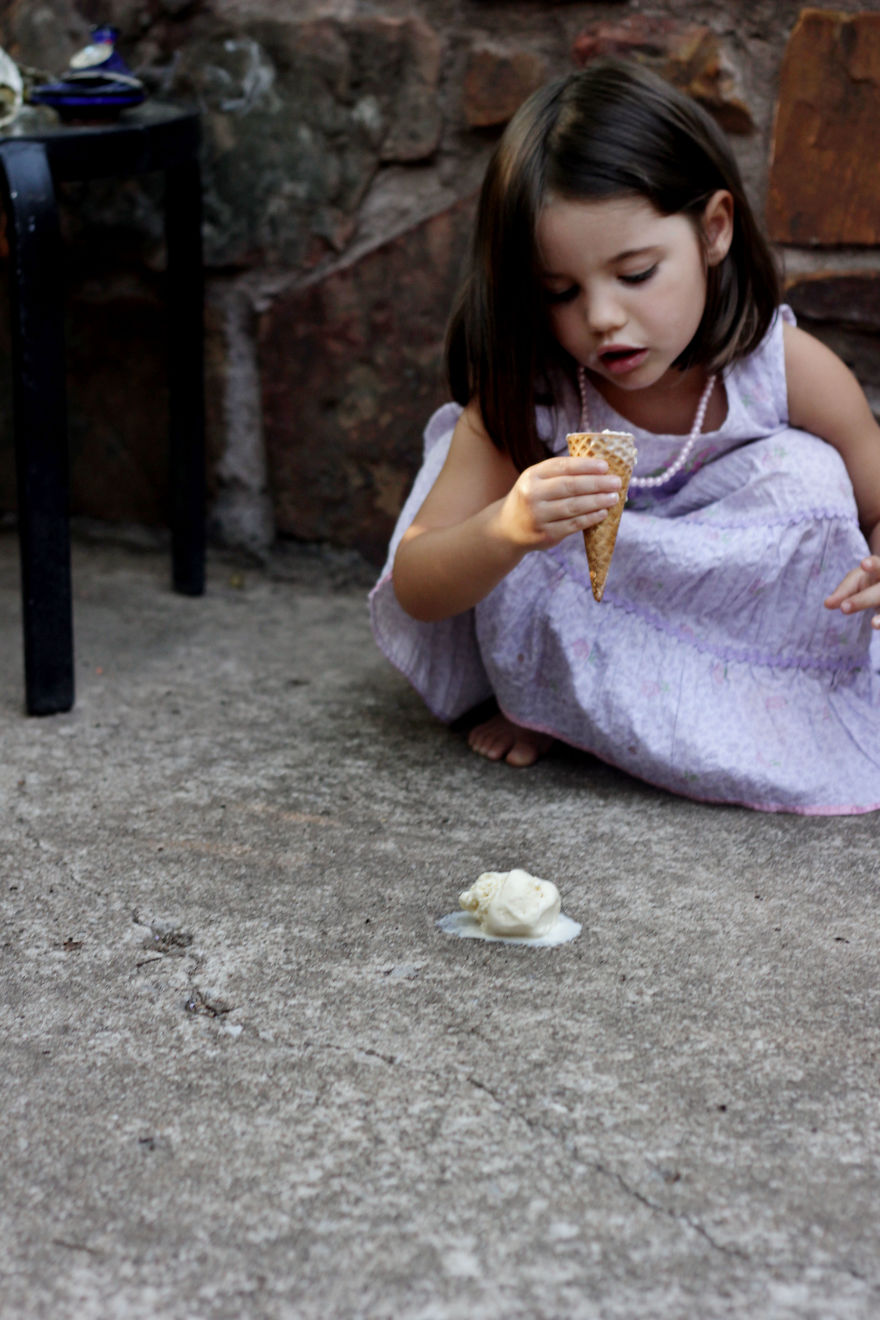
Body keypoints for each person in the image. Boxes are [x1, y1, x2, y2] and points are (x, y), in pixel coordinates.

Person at [369, 59, 880, 815]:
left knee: (810, 479)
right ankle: (557, 705)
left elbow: (874, 488)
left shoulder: (778, 368)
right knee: (532, 521)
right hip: (582, 634)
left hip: (731, 629)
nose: (602, 318)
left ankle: (755, 709)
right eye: (561, 293)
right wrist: (507, 529)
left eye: (636, 273)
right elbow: (417, 582)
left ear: (713, 231)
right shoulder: (533, 394)